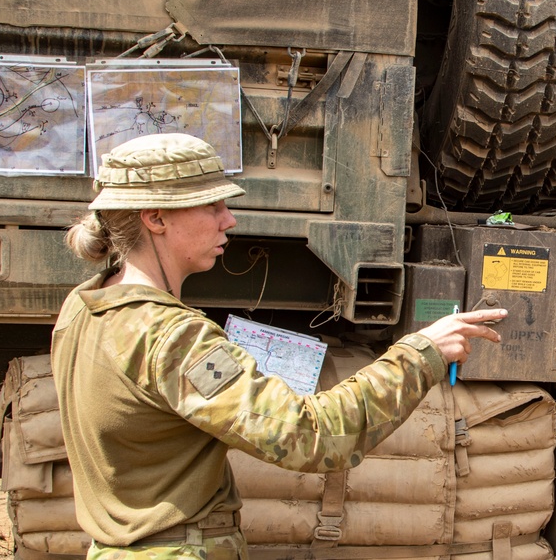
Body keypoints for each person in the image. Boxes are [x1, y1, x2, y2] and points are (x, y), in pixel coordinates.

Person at [51, 133, 507, 560]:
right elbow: (309, 436)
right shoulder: (171, 337)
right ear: (155, 218)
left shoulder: (83, 307)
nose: (228, 219)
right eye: (211, 205)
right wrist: (421, 353)